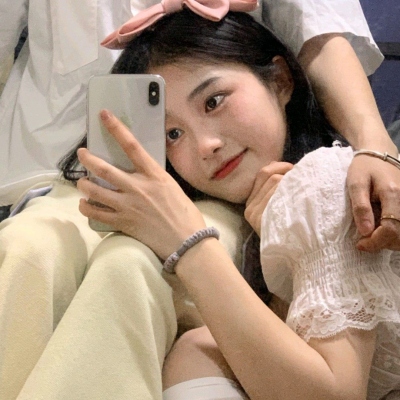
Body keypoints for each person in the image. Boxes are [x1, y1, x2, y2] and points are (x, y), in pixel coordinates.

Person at [0, 1, 399, 400]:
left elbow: (320, 28)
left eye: (213, 101)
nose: (206, 145)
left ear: (280, 80)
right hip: (50, 172)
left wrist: (377, 149)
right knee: (28, 247)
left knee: (131, 268)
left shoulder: (321, 185)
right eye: (172, 134)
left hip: (201, 204)